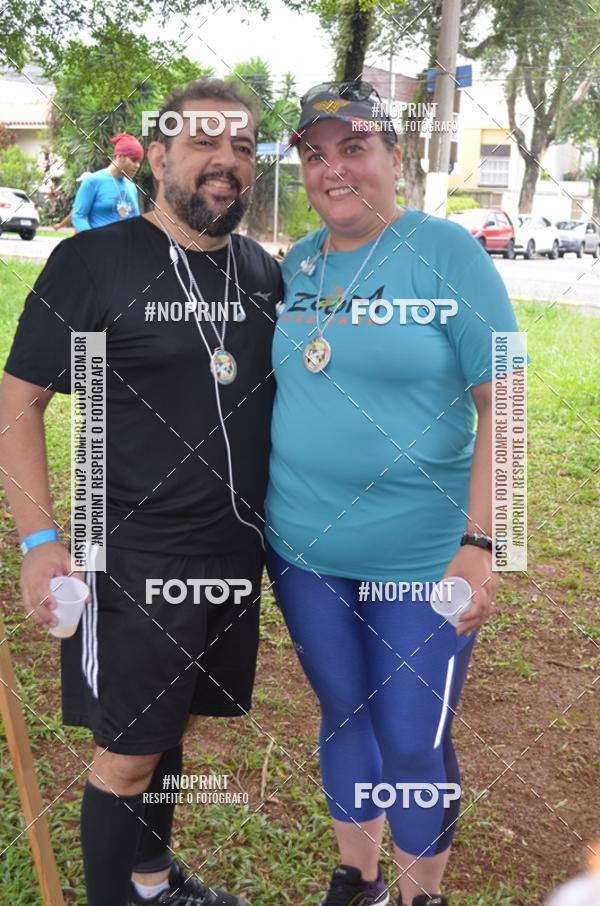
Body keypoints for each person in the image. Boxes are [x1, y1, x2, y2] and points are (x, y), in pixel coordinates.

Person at [0, 78, 281, 906]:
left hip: (232, 554)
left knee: (173, 730)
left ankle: (154, 881)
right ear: (158, 157)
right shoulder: (91, 263)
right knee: (127, 752)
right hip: (127, 556)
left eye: (241, 146)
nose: (225, 161)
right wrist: (39, 543)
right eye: (203, 142)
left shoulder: (261, 271)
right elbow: (19, 404)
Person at [265, 82, 525, 906]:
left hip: (422, 555)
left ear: (394, 158)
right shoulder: (298, 264)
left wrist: (485, 545)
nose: (333, 168)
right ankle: (359, 878)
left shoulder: (446, 251)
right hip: (304, 550)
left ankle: (422, 895)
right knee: (343, 711)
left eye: (353, 148)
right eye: (315, 154)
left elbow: (507, 403)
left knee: (412, 736)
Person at [71, 134, 143, 231]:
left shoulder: (131, 187)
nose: (137, 166)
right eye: (134, 160)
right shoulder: (93, 181)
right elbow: (78, 216)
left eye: (139, 162)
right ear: (120, 157)